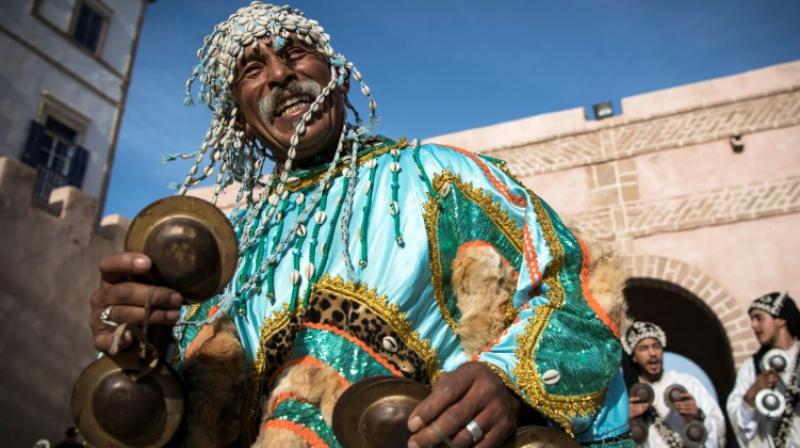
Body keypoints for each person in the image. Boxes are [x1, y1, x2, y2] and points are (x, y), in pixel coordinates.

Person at [88, 2, 632, 447]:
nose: (280, 73)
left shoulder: (441, 176)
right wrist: (142, 349)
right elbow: (188, 418)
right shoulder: (226, 256)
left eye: (295, 52)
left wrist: (508, 383)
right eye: (253, 69)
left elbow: (574, 286)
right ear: (241, 122)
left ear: (339, 80)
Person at [622, 321, 725, 447]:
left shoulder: (686, 382)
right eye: (644, 348)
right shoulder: (625, 395)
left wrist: (698, 415)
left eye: (656, 346)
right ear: (634, 357)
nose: (652, 353)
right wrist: (625, 422)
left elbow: (719, 427)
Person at [726, 292, 800, 447]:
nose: (753, 326)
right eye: (752, 320)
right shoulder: (751, 367)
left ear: (780, 320)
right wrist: (752, 393)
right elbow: (739, 423)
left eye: (759, 318)